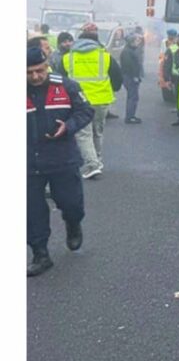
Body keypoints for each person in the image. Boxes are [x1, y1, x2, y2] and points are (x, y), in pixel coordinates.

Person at [27, 47, 93, 276]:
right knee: (31, 211)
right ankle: (40, 254)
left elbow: (86, 111)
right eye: (29, 72)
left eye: (39, 70)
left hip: (62, 158)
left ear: (47, 66)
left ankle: (73, 224)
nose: (35, 77)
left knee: (71, 203)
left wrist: (69, 126)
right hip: (28, 162)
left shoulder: (65, 86)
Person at [61, 23, 122, 180]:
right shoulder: (105, 56)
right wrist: (111, 89)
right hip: (102, 100)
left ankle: (92, 164)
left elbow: (60, 79)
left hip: (79, 101)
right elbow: (117, 78)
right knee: (97, 132)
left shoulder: (68, 57)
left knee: (83, 134)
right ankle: (98, 161)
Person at [119, 32, 145, 124]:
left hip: (129, 77)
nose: (138, 43)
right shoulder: (128, 52)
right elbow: (129, 66)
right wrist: (135, 76)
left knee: (132, 97)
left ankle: (130, 116)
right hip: (130, 78)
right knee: (133, 97)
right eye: (136, 41)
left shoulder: (128, 51)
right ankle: (130, 117)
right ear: (131, 42)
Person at [159, 29, 179, 106]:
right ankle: (167, 95)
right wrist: (161, 62)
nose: (170, 37)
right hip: (165, 60)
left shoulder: (176, 42)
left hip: (172, 62)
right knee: (164, 79)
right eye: (169, 35)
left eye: (172, 36)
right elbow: (162, 52)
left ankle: (172, 96)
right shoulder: (164, 42)